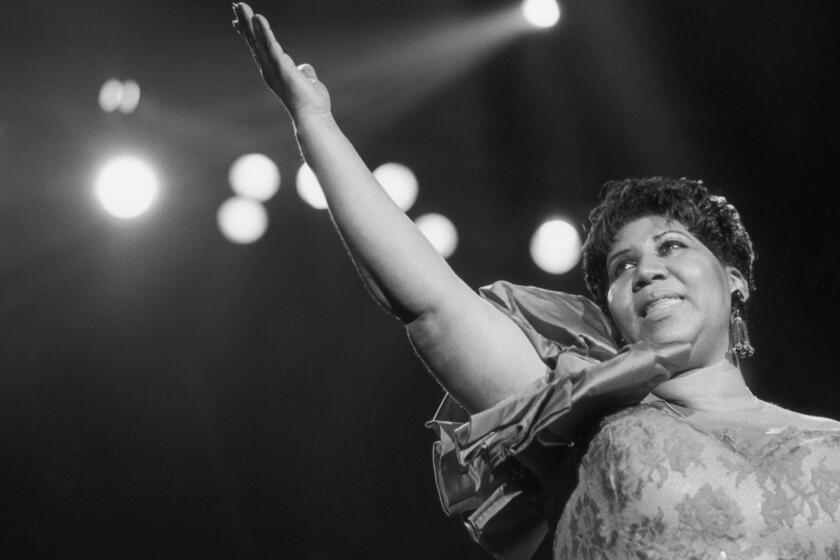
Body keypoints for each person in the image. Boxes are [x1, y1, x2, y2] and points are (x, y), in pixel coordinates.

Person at [231, 4, 840, 559]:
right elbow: (432, 305)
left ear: (735, 281)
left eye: (671, 246)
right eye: (622, 267)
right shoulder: (580, 412)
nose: (646, 269)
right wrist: (315, 124)